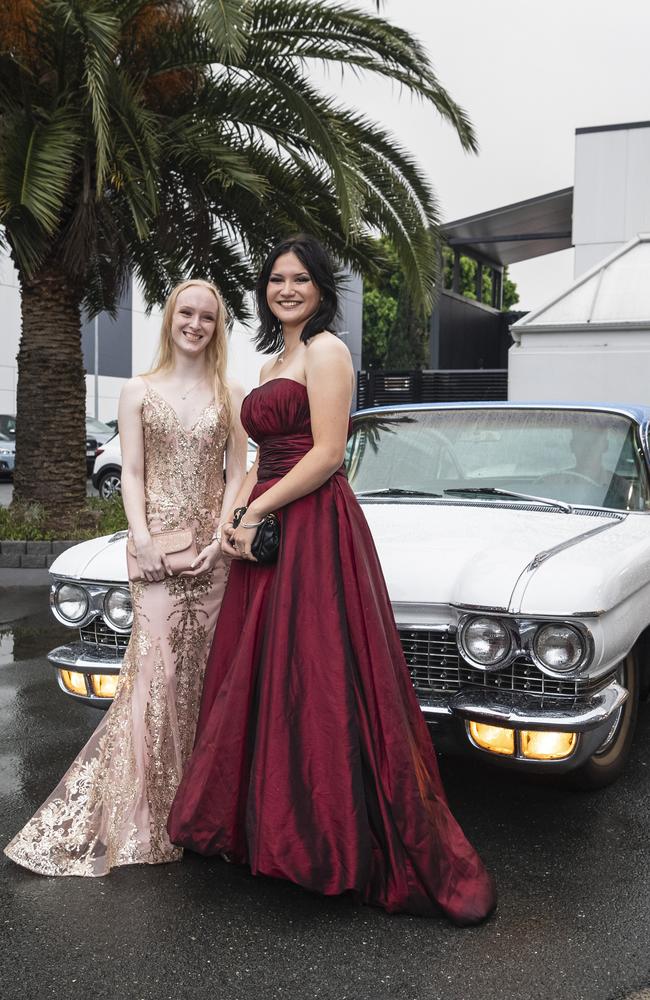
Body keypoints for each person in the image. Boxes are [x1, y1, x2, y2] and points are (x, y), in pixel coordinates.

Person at [167, 237, 496, 924]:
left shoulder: (326, 352)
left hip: (314, 526)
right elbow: (263, 455)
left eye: (300, 279)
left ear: (320, 288)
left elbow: (325, 453)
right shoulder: (268, 363)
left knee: (315, 674)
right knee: (265, 675)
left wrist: (256, 507)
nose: (286, 289)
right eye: (275, 279)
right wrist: (236, 515)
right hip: (271, 526)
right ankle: (268, 831)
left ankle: (326, 843)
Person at [5, 279, 247, 877]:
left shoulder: (231, 393)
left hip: (213, 559)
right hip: (157, 558)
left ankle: (198, 811)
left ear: (218, 329)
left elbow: (239, 472)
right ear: (169, 320)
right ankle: (146, 813)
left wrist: (221, 540)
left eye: (207, 318)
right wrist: (139, 538)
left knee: (204, 680)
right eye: (186, 314)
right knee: (154, 677)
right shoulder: (137, 391)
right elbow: (131, 473)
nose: (195, 325)